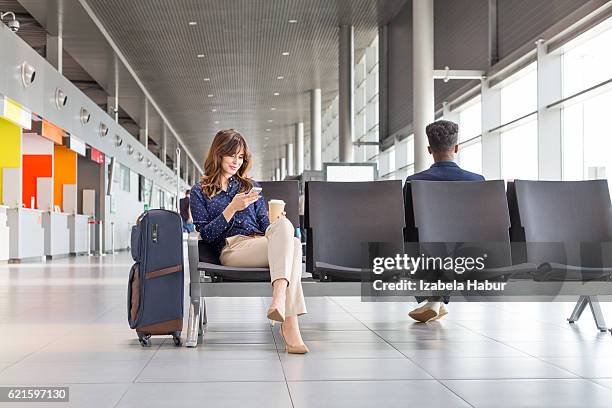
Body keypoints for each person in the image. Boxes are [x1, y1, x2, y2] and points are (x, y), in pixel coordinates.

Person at [190, 129, 308, 354]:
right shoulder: (200, 191)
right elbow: (206, 235)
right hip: (231, 249)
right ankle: (289, 324)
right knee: (291, 245)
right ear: (218, 154)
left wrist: (277, 222)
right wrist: (232, 208)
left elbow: (265, 224)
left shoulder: (248, 187)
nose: (236, 161)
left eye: (241, 156)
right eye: (231, 155)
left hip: (260, 244)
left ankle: (279, 298)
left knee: (286, 230)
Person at [406, 120, 485, 323]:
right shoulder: (477, 181)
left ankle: (435, 299)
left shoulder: (414, 182)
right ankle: (436, 300)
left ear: (429, 149)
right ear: (456, 148)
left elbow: (406, 225)